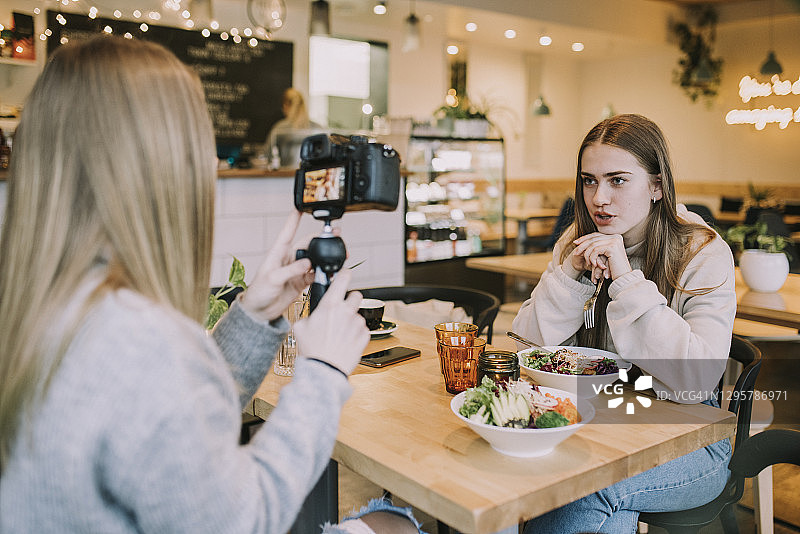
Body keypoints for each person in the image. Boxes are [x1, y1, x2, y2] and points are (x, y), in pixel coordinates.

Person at [0, 36, 422, 534]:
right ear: (162, 169)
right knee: (396, 522)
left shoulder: (43, 309)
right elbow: (242, 520)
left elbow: (171, 433)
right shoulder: (137, 339)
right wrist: (323, 373)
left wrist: (254, 316)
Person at [512, 114, 736, 533]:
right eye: (589, 180)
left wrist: (627, 281)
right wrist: (568, 278)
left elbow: (697, 380)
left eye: (618, 180)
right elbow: (526, 348)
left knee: (589, 487)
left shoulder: (702, 251)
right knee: (508, 475)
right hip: (603, 419)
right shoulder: (575, 241)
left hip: (692, 440)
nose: (599, 198)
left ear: (656, 186)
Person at [265, 87, 324, 168]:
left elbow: (267, 154)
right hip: (311, 176)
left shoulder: (280, 127)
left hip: (287, 175)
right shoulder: (317, 128)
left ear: (285, 106)